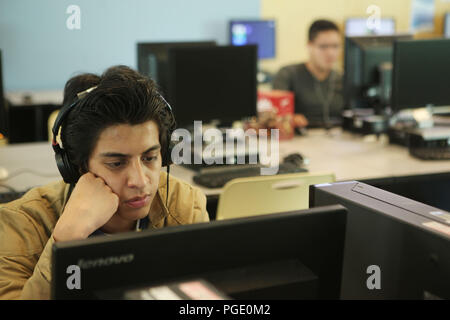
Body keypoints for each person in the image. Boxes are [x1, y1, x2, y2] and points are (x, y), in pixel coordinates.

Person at [0, 65, 209, 299]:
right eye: (117, 163)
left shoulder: (183, 204)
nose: (140, 181)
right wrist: (66, 241)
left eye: (150, 158)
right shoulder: (22, 224)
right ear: (77, 166)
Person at [272, 19, 344, 129]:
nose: (331, 53)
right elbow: (274, 113)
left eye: (335, 46)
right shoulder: (288, 74)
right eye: (323, 47)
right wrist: (292, 118)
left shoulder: (341, 79)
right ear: (309, 46)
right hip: (298, 140)